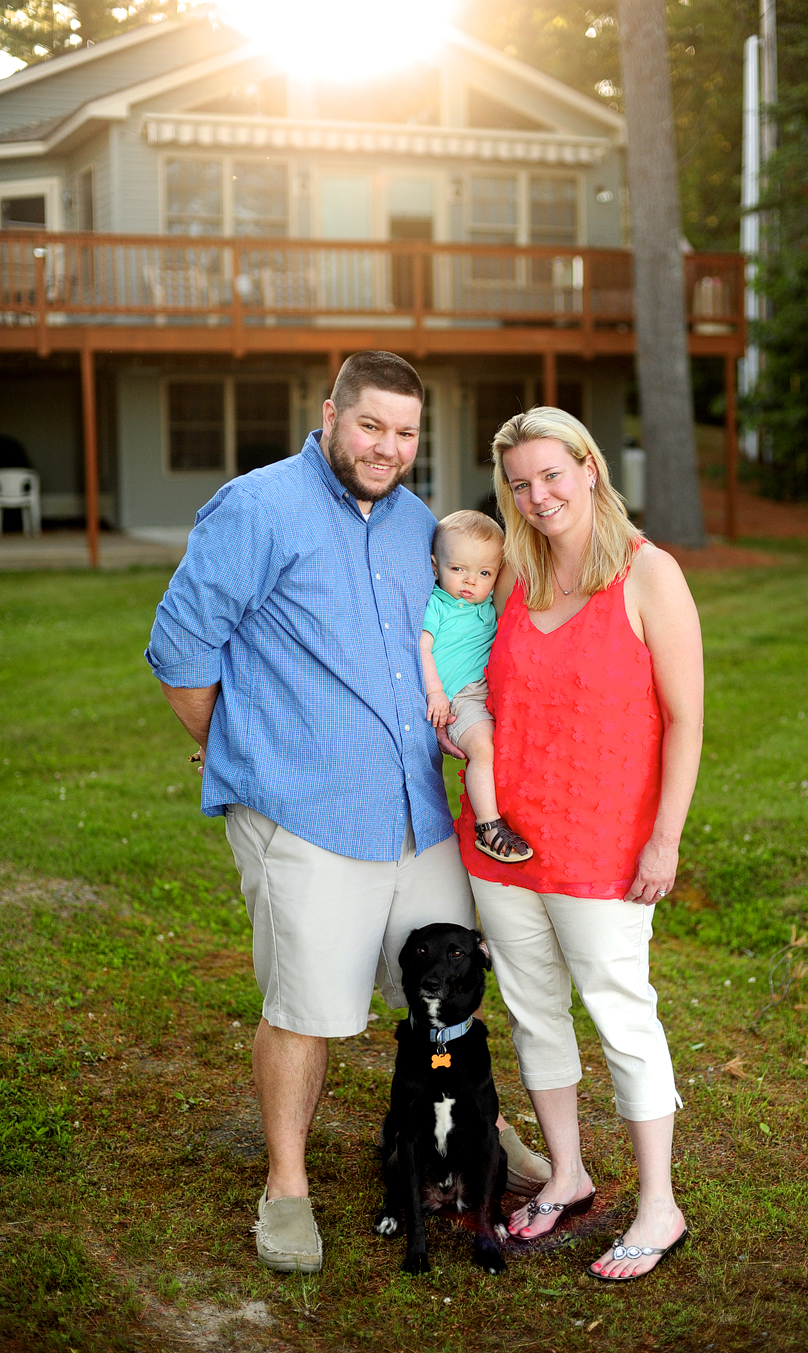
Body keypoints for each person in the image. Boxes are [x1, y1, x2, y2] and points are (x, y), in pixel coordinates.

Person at [145, 351, 548, 1275]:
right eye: (371, 425)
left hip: (416, 808)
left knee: (448, 985)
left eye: (406, 433)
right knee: (309, 1005)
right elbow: (179, 646)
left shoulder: (417, 524)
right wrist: (239, 751)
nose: (388, 447)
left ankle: (476, 1125)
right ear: (330, 412)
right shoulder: (259, 507)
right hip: (305, 811)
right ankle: (286, 1187)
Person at [455, 406, 704, 1282]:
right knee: (531, 1008)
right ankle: (566, 1173)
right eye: (519, 482)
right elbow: (474, 678)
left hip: (603, 843)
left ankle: (658, 1203)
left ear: (590, 468)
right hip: (502, 843)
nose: (537, 495)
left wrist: (664, 839)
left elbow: (685, 718)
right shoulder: (510, 576)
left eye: (551, 474)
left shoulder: (648, 574)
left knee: (621, 1012)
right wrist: (462, 720)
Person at [420, 509, 532, 864]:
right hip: (459, 696)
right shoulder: (436, 605)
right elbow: (420, 647)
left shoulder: (486, 605)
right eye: (459, 569)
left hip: (490, 690)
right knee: (483, 749)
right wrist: (435, 692)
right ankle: (488, 827)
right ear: (435, 566)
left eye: (484, 573)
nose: (470, 582)